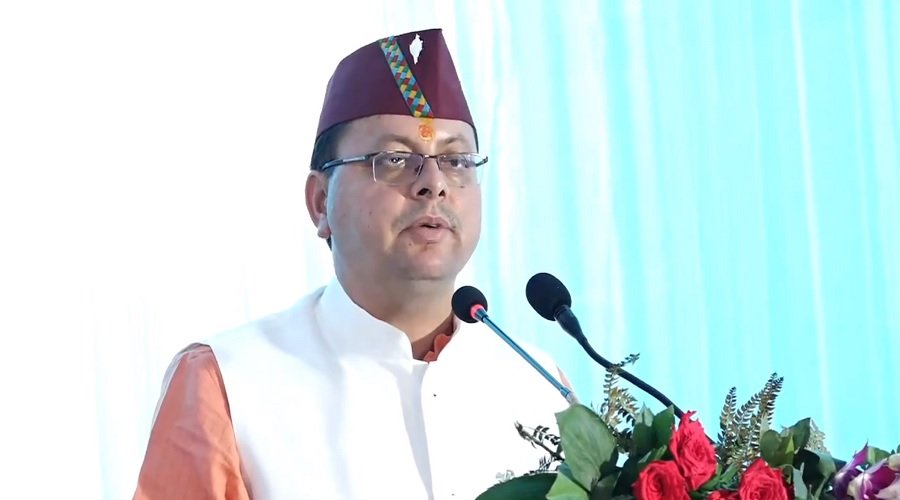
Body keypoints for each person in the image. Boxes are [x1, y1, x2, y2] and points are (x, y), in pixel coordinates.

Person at [133, 28, 573, 500]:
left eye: (457, 160)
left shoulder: (538, 381)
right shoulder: (229, 383)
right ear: (320, 202)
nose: (434, 183)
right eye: (395, 159)